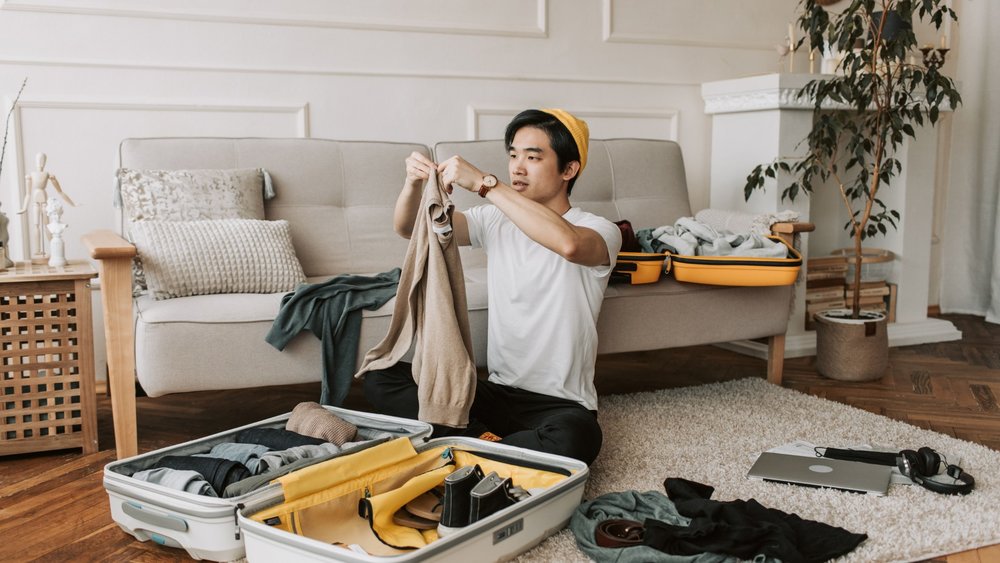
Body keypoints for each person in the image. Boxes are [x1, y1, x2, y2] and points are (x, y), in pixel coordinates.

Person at [364, 109, 622, 465]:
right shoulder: (494, 220)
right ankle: (488, 444)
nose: (517, 168)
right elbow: (409, 228)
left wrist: (485, 184)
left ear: (569, 169)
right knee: (380, 374)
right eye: (513, 155)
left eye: (533, 158)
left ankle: (464, 443)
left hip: (560, 405)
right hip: (493, 394)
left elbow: (570, 245)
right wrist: (412, 184)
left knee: (578, 437)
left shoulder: (599, 229)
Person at [19, 152, 75, 263]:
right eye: (39, 159)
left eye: (43, 160)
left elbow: (60, 191)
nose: (40, 163)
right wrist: (24, 208)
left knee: (47, 226)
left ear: (45, 162)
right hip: (35, 202)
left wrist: (72, 204)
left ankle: (52, 249)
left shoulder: (48, 175)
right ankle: (37, 250)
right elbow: (28, 194)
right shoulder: (31, 175)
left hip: (45, 202)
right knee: (36, 225)